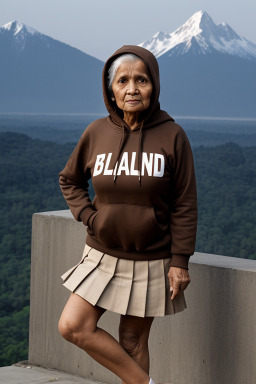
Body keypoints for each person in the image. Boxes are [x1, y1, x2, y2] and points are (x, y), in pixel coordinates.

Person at [58, 45, 197, 384]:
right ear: (111, 90)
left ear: (155, 86)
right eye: (123, 81)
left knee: (132, 341)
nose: (132, 88)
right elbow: (70, 180)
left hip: (152, 258)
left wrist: (180, 260)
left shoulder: (173, 136)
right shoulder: (96, 132)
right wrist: (91, 218)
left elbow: (185, 202)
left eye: (142, 80)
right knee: (73, 326)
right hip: (101, 253)